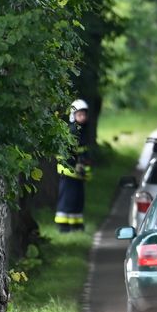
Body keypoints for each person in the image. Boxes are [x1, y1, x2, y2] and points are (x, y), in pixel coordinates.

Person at [54, 99, 90, 233]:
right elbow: (68, 153)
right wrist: (77, 164)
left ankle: (76, 225)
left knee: (77, 198)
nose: (83, 117)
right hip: (68, 170)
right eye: (80, 114)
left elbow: (83, 152)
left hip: (77, 171)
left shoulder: (82, 130)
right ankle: (63, 226)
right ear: (73, 115)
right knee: (67, 198)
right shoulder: (72, 131)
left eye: (84, 114)